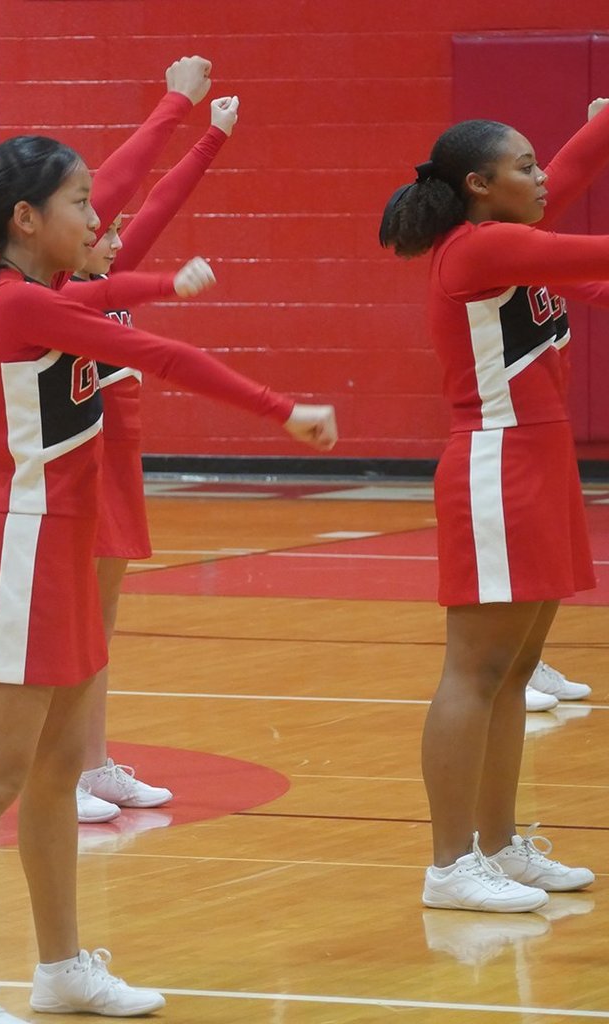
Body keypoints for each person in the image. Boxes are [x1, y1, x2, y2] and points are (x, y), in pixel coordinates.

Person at [0, 133, 336, 1024]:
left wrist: (162, 276)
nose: (94, 214)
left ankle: (62, 967)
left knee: (57, 772)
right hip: (25, 554)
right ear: (25, 219)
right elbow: (166, 358)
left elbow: (117, 291)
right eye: (78, 201)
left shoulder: (46, 295)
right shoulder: (16, 305)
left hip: (65, 555)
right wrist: (283, 410)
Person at [378, 99, 609, 912]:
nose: (543, 178)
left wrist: (601, 125)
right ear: (479, 185)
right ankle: (450, 866)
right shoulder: (483, 247)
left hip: (540, 460)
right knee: (474, 672)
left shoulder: (504, 232)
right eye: (525, 167)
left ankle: (502, 846)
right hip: (497, 464)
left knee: (512, 673)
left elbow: (569, 176)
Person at [68, 94, 240, 824]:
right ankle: (62, 771)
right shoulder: (58, 293)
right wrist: (177, 107)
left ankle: (91, 762)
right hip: (79, 467)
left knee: (100, 624)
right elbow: (122, 190)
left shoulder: (108, 277)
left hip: (120, 465)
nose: (115, 238)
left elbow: (160, 205)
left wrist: (213, 137)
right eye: (101, 227)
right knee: (74, 627)